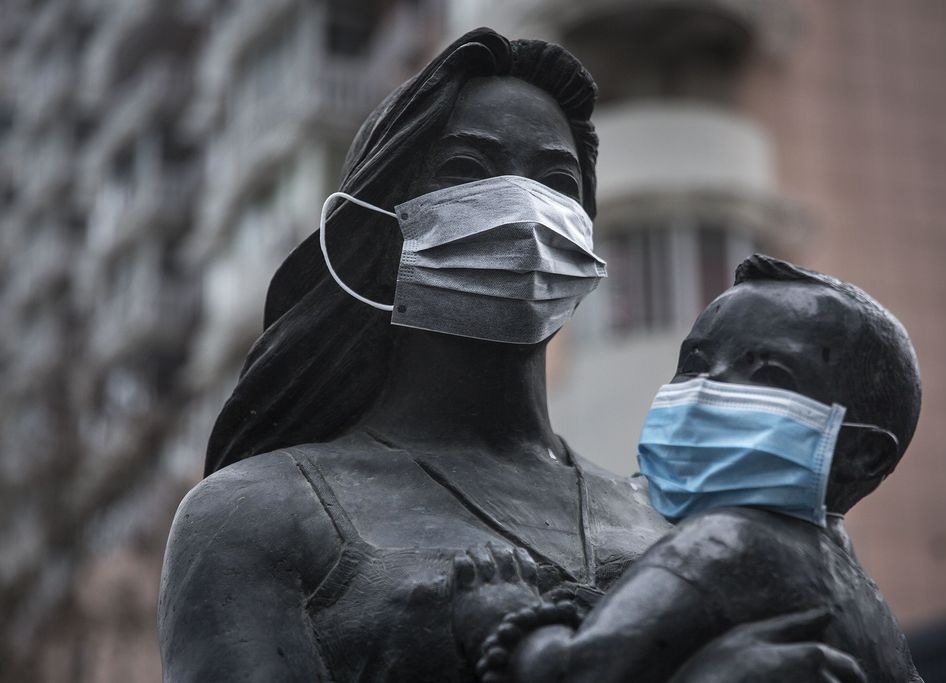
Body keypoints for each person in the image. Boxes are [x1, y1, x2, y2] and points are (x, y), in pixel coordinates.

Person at [158, 29, 866, 682]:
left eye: (558, 183)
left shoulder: (681, 525)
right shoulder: (254, 514)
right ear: (377, 225)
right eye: (468, 167)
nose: (524, 207)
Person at [479, 255, 922, 682]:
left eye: (770, 375)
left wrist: (505, 608)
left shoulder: (728, 541)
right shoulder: (869, 603)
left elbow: (568, 672)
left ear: (864, 454)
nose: (703, 390)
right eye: (694, 365)